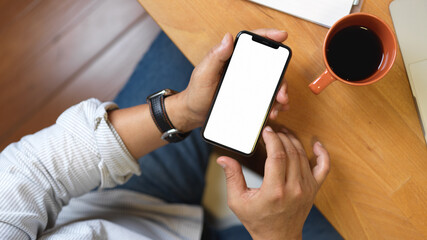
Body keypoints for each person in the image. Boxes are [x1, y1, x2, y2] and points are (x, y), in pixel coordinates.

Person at [0, 28, 341, 239]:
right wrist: (278, 235)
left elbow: (34, 170)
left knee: (202, 31)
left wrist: (183, 110)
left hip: (120, 200)